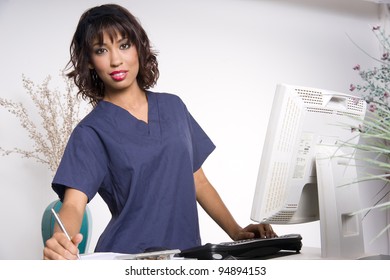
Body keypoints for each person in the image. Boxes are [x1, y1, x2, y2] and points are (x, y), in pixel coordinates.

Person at [43, 4, 276, 260]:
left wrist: (237, 232)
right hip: (127, 259)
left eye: (123, 45)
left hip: (188, 258)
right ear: (89, 61)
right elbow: (74, 204)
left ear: (139, 48)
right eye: (101, 50)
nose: (115, 60)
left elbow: (198, 181)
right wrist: (61, 240)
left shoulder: (173, 107)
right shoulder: (91, 131)